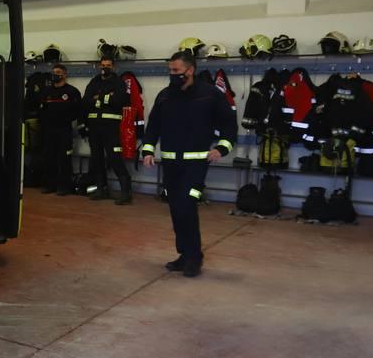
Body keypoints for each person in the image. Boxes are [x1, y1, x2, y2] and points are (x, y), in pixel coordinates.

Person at [141, 51, 237, 277]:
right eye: (170, 71)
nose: (172, 75)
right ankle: (184, 255)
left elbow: (229, 126)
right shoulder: (165, 96)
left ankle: (194, 257)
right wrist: (147, 150)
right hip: (171, 164)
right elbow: (153, 126)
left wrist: (221, 148)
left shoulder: (210, 94)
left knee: (187, 205)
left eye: (176, 71)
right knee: (176, 209)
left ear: (190, 70)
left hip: (196, 164)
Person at [83, 55, 133, 204]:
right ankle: (101, 188)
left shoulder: (119, 82)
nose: (105, 67)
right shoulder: (94, 81)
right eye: (103, 65)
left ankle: (125, 192)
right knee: (96, 158)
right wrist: (107, 97)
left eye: (108, 65)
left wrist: (99, 98)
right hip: (94, 127)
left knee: (115, 158)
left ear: (113, 67)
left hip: (111, 127)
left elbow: (121, 100)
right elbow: (86, 101)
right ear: (99, 66)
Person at [38, 63, 81, 195]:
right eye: (53, 72)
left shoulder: (72, 92)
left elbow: (78, 111)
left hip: (64, 130)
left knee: (64, 159)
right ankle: (50, 185)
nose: (55, 75)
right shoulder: (46, 92)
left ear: (64, 74)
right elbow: (41, 110)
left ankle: (64, 187)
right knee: (48, 158)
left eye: (58, 72)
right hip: (49, 130)